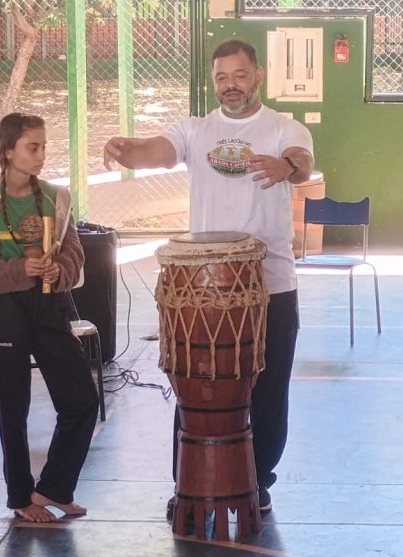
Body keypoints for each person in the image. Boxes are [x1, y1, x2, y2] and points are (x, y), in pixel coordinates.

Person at [102, 39, 314, 516]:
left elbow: (303, 162)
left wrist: (287, 167)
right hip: (204, 288)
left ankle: (257, 480)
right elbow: (156, 152)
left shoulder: (284, 127)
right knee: (198, 386)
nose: (229, 86)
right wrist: (127, 149)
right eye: (221, 77)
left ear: (256, 75)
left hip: (271, 283)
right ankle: (192, 482)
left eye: (238, 75)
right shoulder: (196, 130)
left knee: (268, 385)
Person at [0, 113, 99, 523]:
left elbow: (74, 254)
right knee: (14, 406)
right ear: (7, 150)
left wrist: (58, 270)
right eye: (33, 147)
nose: (42, 154)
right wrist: (18, 271)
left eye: (45, 146)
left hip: (49, 304)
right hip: (4, 308)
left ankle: (54, 488)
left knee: (82, 400)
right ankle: (21, 497)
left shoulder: (56, 197)